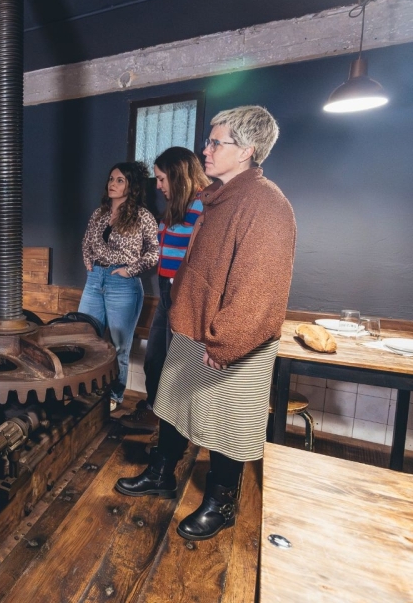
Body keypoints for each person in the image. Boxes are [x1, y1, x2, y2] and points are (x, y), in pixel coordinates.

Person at [115, 105, 297, 543]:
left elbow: (261, 284)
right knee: (175, 405)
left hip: (230, 339)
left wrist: (226, 342)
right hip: (192, 328)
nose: (206, 149)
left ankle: (222, 502)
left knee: (229, 423)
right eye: (209, 140)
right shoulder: (220, 199)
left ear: (247, 151)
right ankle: (163, 473)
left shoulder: (266, 203)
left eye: (217, 142)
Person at [120, 147, 210, 430]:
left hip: (184, 292)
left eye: (161, 179)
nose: (157, 185)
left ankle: (172, 427)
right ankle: (154, 410)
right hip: (166, 290)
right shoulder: (177, 206)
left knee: (176, 365)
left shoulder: (204, 205)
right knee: (155, 357)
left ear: (178, 175)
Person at [80, 162, 159, 412]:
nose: (112, 184)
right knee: (85, 337)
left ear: (132, 185)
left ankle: (114, 395)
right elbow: (86, 241)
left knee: (119, 346)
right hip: (95, 279)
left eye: (120, 180)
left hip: (122, 283)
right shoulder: (98, 213)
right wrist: (88, 262)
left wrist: (129, 270)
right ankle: (87, 392)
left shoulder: (142, 216)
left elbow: (155, 252)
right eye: (111, 179)